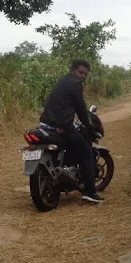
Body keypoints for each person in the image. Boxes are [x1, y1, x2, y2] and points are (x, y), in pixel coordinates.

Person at [39, 59, 103, 204]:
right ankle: (90, 193)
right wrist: (89, 125)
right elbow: (80, 109)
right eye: (80, 72)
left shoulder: (63, 81)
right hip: (61, 127)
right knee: (86, 153)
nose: (83, 76)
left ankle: (65, 173)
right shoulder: (75, 85)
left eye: (85, 74)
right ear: (72, 70)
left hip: (44, 125)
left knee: (72, 145)